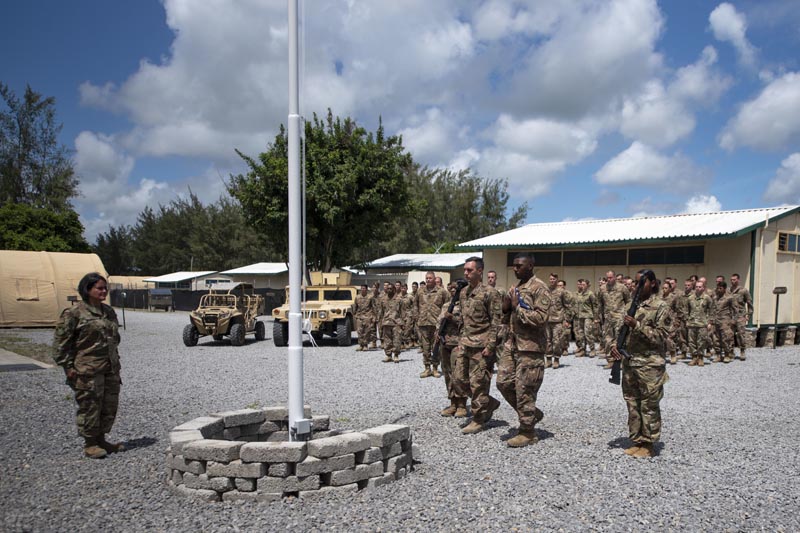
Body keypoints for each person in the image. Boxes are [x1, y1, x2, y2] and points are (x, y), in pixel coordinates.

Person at [53, 272, 124, 459]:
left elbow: (114, 338)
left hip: (110, 368)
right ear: (87, 289)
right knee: (90, 405)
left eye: (104, 288)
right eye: (99, 288)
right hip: (87, 370)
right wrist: (68, 367)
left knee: (109, 405)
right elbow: (61, 345)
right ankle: (90, 443)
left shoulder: (108, 311)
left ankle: (101, 439)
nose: (103, 291)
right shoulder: (74, 314)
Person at [609, 269, 669, 459]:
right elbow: (620, 332)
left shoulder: (660, 307)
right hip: (630, 362)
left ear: (652, 283)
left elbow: (662, 336)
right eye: (635, 283)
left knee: (649, 405)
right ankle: (637, 439)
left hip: (650, 365)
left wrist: (638, 325)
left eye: (641, 282)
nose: (636, 286)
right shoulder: (629, 306)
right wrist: (614, 346)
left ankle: (649, 443)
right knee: (632, 403)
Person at [497, 253, 550, 447]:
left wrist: (517, 308)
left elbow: (541, 318)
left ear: (530, 266)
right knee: (503, 382)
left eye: (519, 265)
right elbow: (507, 316)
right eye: (513, 265)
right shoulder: (517, 288)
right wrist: (506, 308)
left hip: (531, 347)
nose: (515, 269)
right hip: (512, 344)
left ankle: (527, 432)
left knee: (525, 389)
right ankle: (531, 413)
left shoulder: (540, 288)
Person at [455, 256, 502, 435]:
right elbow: (463, 321)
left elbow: (496, 322)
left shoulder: (490, 293)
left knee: (478, 384)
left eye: (470, 270)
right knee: (459, 380)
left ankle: (478, 418)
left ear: (480, 271)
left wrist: (490, 346)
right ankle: (488, 403)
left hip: (481, 345)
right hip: (466, 344)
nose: (466, 273)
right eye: (465, 270)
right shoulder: (463, 293)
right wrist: (460, 341)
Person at [438, 282, 468, 418]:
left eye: (455, 288)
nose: (452, 290)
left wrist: (453, 318)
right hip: (445, 343)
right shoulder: (446, 305)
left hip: (458, 343)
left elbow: (467, 323)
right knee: (448, 374)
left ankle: (462, 404)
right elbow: (439, 322)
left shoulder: (464, 304)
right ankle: (453, 403)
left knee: (458, 375)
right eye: (450, 288)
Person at [414, 271, 447, 378]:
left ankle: (435, 368)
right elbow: (415, 306)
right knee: (425, 347)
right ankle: (427, 368)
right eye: (427, 278)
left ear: (434, 279)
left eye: (430, 278)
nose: (428, 280)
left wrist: (443, 321)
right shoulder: (420, 291)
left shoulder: (442, 292)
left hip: (436, 324)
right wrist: (417, 318)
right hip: (423, 323)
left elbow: (447, 305)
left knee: (436, 346)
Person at [598, 270, 631, 370]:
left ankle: (620, 361)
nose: (609, 279)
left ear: (615, 277)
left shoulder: (622, 288)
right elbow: (600, 303)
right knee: (607, 340)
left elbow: (628, 301)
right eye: (607, 277)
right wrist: (598, 317)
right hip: (608, 318)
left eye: (611, 277)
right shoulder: (603, 289)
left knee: (619, 340)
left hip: (619, 318)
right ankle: (610, 361)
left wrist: (626, 314)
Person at [545, 274, 572, 369]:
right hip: (547, 320)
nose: (552, 280)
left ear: (557, 280)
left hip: (558, 320)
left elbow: (567, 306)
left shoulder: (561, 292)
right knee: (547, 341)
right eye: (551, 279)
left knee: (557, 341)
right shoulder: (546, 291)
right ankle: (548, 360)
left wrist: (567, 319)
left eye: (554, 279)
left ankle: (556, 359)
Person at [686, 280, 714, 367]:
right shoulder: (690, 298)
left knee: (701, 341)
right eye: (696, 287)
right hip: (692, 323)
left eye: (700, 287)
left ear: (703, 288)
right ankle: (694, 357)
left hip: (702, 323)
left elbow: (712, 310)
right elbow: (686, 310)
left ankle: (701, 357)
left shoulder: (707, 298)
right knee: (691, 342)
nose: (698, 288)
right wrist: (687, 320)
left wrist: (710, 322)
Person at [729, 273, 753, 361]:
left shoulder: (743, 291)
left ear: (738, 280)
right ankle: (730, 351)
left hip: (740, 316)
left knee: (741, 334)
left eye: (734, 279)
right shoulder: (728, 291)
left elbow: (749, 303)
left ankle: (742, 351)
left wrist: (748, 316)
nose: (732, 281)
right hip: (730, 316)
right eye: (731, 280)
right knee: (729, 335)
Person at [378, 283, 404, 363]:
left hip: (396, 322)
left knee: (397, 339)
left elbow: (403, 312)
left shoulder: (399, 299)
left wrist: (403, 323)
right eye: (388, 288)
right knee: (387, 340)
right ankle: (388, 355)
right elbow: (381, 312)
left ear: (394, 289)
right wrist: (380, 322)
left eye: (391, 289)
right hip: (386, 322)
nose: (389, 290)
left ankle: (396, 355)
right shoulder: (383, 299)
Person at [573, 278, 598, 357]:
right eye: (582, 284)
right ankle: (582, 349)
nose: (582, 286)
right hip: (580, 316)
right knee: (580, 334)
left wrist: (595, 318)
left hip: (588, 316)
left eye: (584, 285)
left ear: (587, 285)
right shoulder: (579, 294)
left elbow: (595, 306)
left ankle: (592, 349)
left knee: (588, 333)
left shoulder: (590, 294)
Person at [713, 281, 737, 363]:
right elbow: (713, 309)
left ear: (725, 289)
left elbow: (736, 310)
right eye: (718, 288)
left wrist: (734, 320)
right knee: (716, 339)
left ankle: (727, 355)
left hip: (725, 321)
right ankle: (718, 355)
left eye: (721, 288)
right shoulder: (715, 298)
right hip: (716, 321)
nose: (719, 290)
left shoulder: (729, 298)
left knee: (726, 338)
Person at [353, 284, 374, 351]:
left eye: (364, 288)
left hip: (368, 316)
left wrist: (373, 316)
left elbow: (373, 307)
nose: (363, 289)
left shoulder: (370, 297)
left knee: (367, 331)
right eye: (362, 288)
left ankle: (365, 345)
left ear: (366, 289)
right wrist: (355, 314)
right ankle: (360, 345)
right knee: (359, 331)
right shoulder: (357, 297)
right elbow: (355, 306)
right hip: (359, 316)